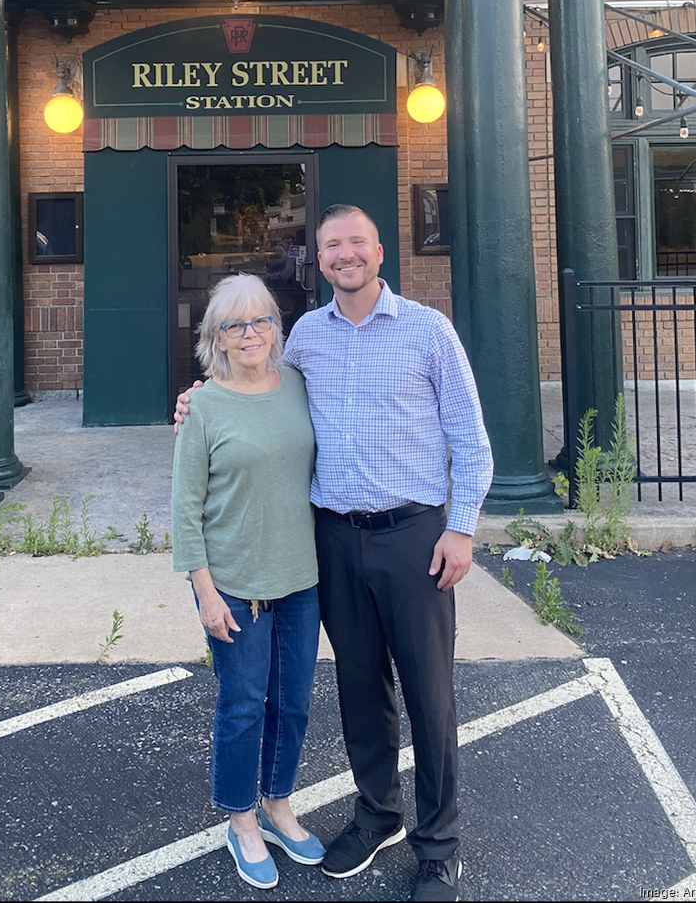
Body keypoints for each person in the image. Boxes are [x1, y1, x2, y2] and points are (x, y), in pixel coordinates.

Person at [177, 205, 493, 903]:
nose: (346, 255)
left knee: (428, 695)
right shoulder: (306, 340)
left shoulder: (427, 330)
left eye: (357, 242)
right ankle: (377, 813)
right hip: (333, 539)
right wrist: (197, 399)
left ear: (380, 251)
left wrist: (461, 526)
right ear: (317, 260)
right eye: (332, 246)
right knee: (360, 687)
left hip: (415, 535)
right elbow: (249, 380)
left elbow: (471, 440)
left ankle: (439, 848)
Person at [171, 273, 326, 891]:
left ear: (275, 327)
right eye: (236, 324)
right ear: (217, 338)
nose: (251, 333)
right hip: (232, 581)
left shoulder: (299, 387)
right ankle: (241, 820)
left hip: (300, 577)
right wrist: (205, 593)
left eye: (261, 320)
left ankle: (278, 802)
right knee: (242, 706)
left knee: (292, 703)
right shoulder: (203, 405)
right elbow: (185, 508)